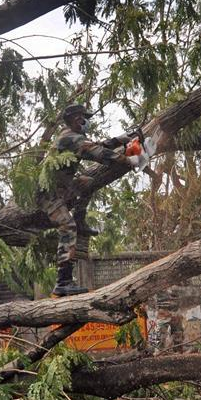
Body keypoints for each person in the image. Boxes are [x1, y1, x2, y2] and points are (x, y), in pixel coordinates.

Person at [39, 104, 142, 296]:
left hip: (63, 186)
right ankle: (63, 282)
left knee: (88, 182)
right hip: (48, 194)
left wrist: (121, 139)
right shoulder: (70, 137)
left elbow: (96, 146)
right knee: (67, 228)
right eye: (82, 118)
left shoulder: (73, 137)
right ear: (73, 119)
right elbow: (100, 154)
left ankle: (80, 218)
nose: (85, 121)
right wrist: (130, 160)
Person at [154, 286, 185, 351]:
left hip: (175, 312)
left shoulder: (176, 285)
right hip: (163, 312)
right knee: (161, 335)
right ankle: (159, 353)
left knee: (178, 334)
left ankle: (179, 353)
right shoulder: (158, 284)